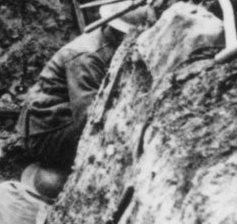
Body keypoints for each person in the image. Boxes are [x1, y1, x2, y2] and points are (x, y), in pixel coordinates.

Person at [11, 11, 148, 171]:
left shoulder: (105, 40)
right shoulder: (86, 57)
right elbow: (89, 118)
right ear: (121, 34)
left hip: (58, 118)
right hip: (44, 134)